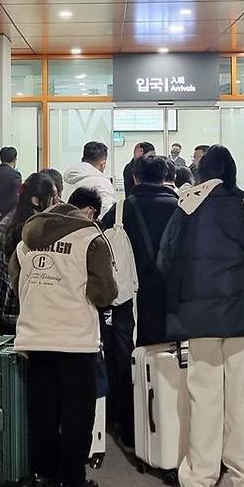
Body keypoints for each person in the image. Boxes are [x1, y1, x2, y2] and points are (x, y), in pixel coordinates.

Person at [158, 145, 244, 487]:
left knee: (203, 401)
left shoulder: (186, 207)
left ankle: (198, 485)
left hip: (197, 322)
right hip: (243, 319)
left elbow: (164, 261)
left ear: (201, 171)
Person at [9, 200, 117, 487]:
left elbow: (16, 284)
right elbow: (104, 293)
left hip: (35, 335)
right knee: (76, 412)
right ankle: (71, 484)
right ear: (80, 216)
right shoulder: (90, 239)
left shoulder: (25, 242)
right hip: (75, 339)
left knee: (42, 408)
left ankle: (41, 479)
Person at [102, 155, 178, 449]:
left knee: (127, 359)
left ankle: (130, 426)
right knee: (170, 360)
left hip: (127, 301)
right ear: (166, 177)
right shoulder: (182, 209)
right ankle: (168, 421)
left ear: (134, 177)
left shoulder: (119, 211)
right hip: (171, 300)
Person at [0, 173, 58, 336]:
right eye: (53, 197)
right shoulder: (31, 225)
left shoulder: (12, 218)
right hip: (17, 306)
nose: (56, 202)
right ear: (36, 200)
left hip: (2, 303)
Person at [64, 141, 116, 218]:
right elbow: (106, 214)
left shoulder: (66, 179)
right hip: (89, 227)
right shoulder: (103, 183)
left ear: (82, 159)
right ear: (103, 164)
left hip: (65, 226)